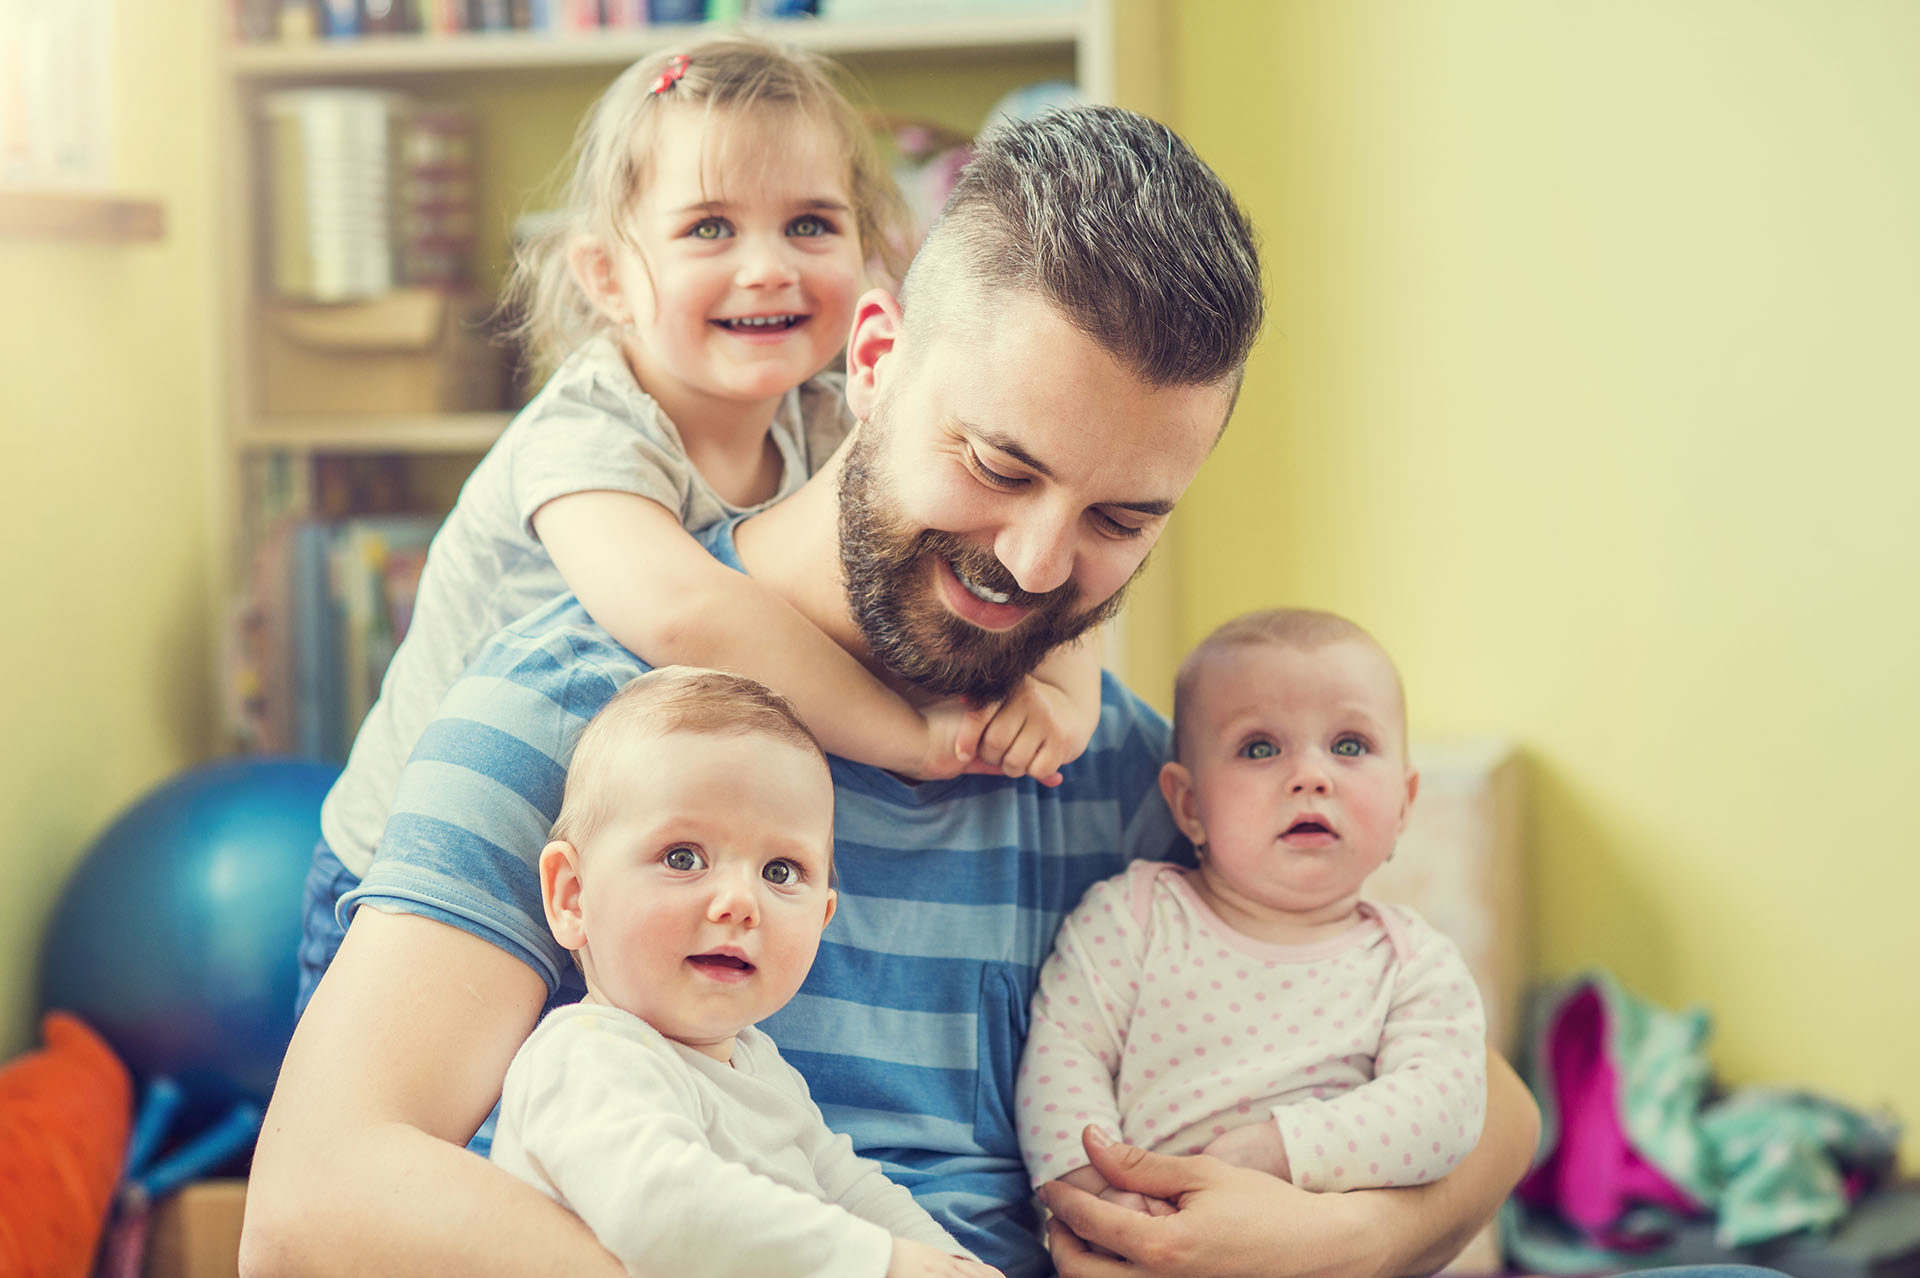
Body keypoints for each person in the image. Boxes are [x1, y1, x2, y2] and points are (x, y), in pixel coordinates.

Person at [245, 106, 1542, 1278]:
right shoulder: (578, 703)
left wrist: (1341, 1236)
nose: (1036, 562)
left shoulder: (1106, 767)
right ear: (873, 355)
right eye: (997, 462)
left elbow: (1489, 1106)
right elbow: (314, 1203)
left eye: (1121, 516)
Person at [309, 41, 1103, 995]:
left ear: (868, 249)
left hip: (621, 860)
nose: (766, 267)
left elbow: (1012, 507)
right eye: (709, 229)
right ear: (607, 275)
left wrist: (1065, 689)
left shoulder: (828, 411)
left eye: (810, 223)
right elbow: (682, 613)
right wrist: (907, 738)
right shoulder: (587, 431)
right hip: (426, 872)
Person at [489, 666, 999, 1278]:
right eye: (684, 857)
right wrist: (882, 1263)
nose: (739, 901)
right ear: (573, 897)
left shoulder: (764, 1070)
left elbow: (855, 1189)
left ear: (823, 916)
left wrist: (952, 1262)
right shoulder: (583, 1057)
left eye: (781, 871)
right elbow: (663, 1210)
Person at [1017, 608, 1485, 1223]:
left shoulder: (1414, 964)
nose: (1311, 777)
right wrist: (1099, 1190)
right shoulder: (1132, 918)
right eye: (1259, 748)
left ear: (1405, 801)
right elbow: (1062, 1056)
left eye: (1350, 745)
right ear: (1188, 804)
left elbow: (1443, 1107)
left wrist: (1282, 1149)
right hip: (1146, 1235)